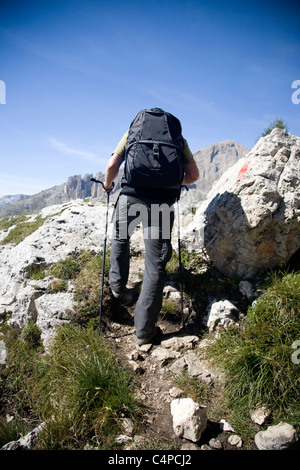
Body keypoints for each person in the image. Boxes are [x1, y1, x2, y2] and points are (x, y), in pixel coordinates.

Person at [103, 109, 199, 346]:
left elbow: (112, 165)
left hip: (130, 198)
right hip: (161, 205)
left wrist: (108, 185)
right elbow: (194, 175)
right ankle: (145, 331)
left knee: (120, 239)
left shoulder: (132, 133)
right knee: (155, 263)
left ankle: (118, 289)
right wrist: (173, 183)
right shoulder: (178, 139)